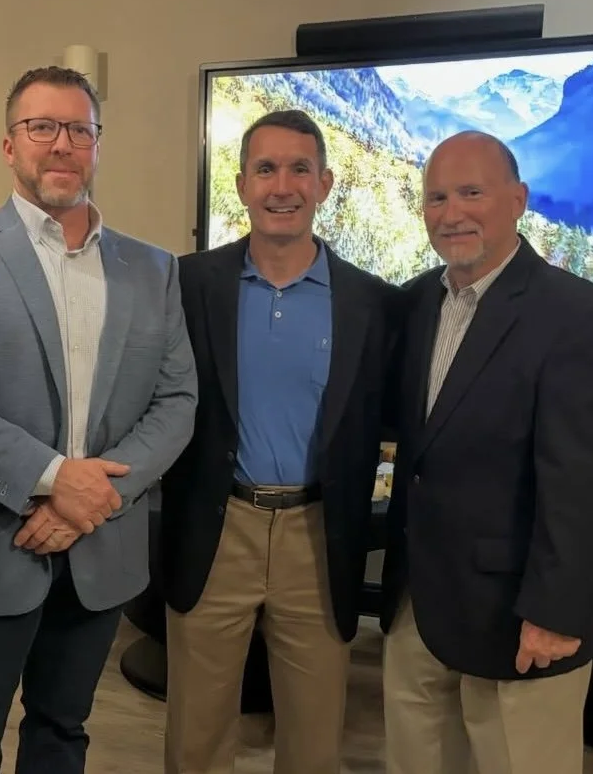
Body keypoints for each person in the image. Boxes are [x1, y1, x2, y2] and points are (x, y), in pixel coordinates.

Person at [0, 66, 198, 774]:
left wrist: (92, 500)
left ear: (97, 144)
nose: (62, 145)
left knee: (63, 731)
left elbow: (177, 402)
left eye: (79, 130)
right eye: (42, 127)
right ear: (8, 145)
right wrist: (55, 479)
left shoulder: (154, 270)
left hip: (102, 548)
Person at [379, 130, 593, 774]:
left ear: (518, 199)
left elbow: (588, 486)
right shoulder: (414, 304)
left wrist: (555, 612)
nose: (452, 212)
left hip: (520, 618)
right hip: (417, 606)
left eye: (472, 192)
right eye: (436, 197)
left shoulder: (580, 316)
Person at [158, 109, 402, 774]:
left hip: (318, 537)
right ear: (241, 185)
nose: (282, 185)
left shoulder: (372, 303)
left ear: (324, 183)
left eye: (300, 168)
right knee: (196, 740)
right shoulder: (187, 285)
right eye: (266, 168)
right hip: (217, 527)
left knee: (315, 742)